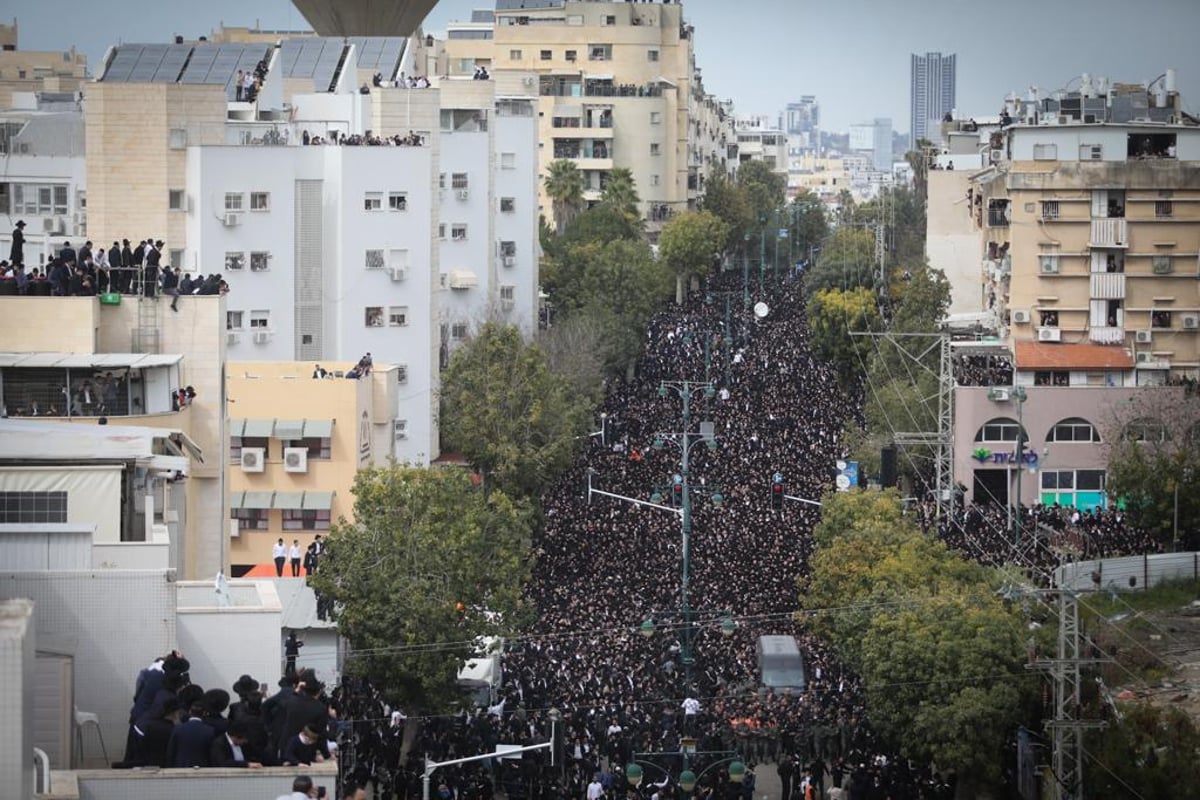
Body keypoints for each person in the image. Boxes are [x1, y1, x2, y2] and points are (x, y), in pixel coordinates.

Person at [166, 702, 215, 768]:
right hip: (202, 767)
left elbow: (171, 751)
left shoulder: (178, 728)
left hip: (181, 766)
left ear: (189, 712)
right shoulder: (210, 730)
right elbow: (212, 753)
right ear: (204, 713)